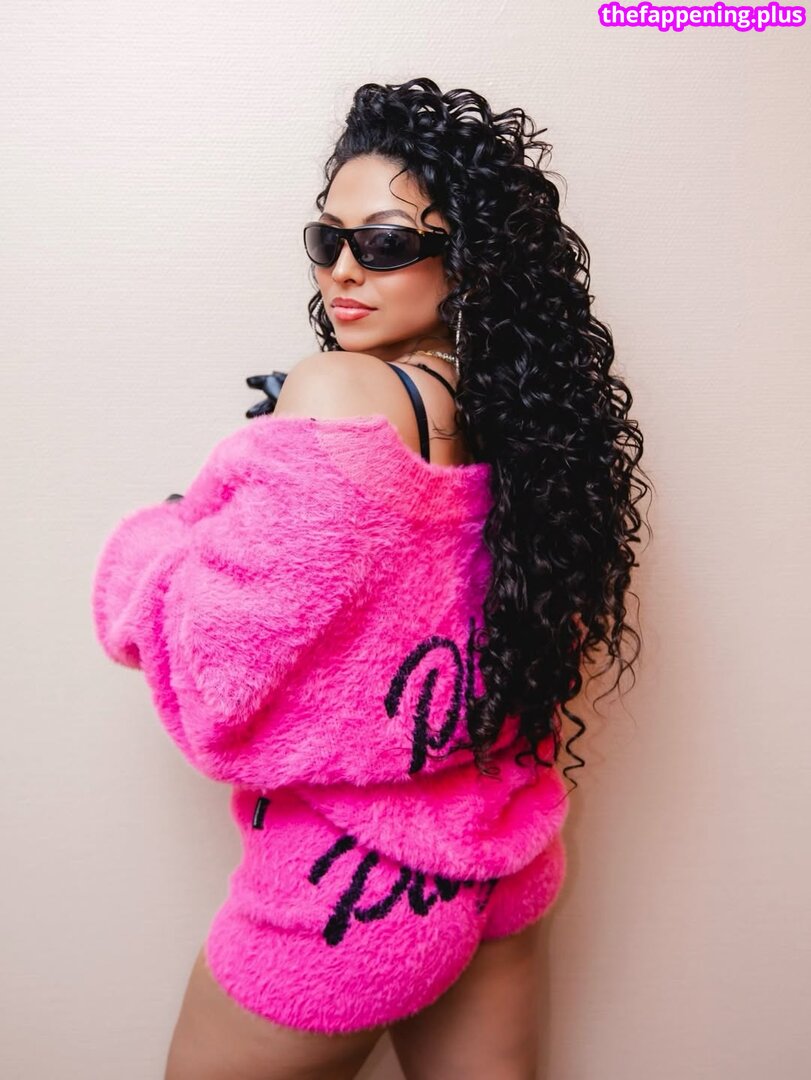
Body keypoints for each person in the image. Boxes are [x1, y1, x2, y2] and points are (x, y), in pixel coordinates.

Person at [91, 78, 649, 1080]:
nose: (344, 269)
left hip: (349, 894)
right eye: (328, 239)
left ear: (467, 258)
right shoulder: (524, 416)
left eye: (386, 243)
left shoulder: (336, 387)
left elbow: (219, 681)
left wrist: (162, 536)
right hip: (496, 861)